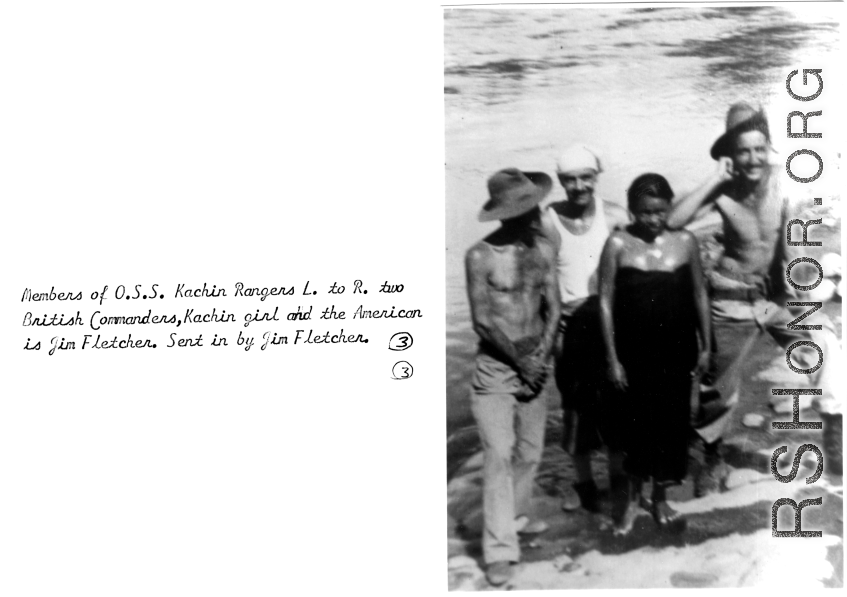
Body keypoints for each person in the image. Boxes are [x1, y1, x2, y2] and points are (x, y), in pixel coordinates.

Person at [666, 102, 843, 495]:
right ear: (730, 154)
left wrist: (807, 306)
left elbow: (793, 251)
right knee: (719, 388)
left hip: (776, 297)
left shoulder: (785, 184)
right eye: (743, 150)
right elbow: (673, 222)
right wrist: (713, 179)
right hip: (730, 298)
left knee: (825, 343)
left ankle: (835, 440)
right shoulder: (722, 192)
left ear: (770, 148)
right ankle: (712, 458)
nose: (753, 159)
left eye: (759, 149)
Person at [599, 173, 711, 534]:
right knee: (634, 429)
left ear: (669, 207)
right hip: (634, 355)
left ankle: (661, 498)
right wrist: (612, 358)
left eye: (660, 211)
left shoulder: (686, 241)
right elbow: (604, 303)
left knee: (672, 427)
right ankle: (633, 500)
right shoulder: (617, 243)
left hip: (677, 351)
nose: (653, 219)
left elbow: (699, 295)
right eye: (645, 212)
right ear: (632, 209)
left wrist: (707, 345)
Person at [466, 168, 562, 586]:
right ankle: (499, 550)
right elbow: (483, 322)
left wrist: (541, 354)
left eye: (533, 205)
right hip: (496, 367)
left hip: (537, 359)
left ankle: (516, 516)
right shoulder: (480, 256)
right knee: (499, 452)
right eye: (525, 209)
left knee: (530, 450)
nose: (535, 213)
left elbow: (554, 307)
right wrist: (521, 362)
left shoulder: (542, 248)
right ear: (507, 214)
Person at [540, 144, 630, 512]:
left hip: (609, 323)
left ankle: (619, 482)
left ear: (597, 177)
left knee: (617, 408)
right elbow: (543, 284)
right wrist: (553, 340)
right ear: (561, 182)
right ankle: (584, 485)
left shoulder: (614, 216)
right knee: (575, 412)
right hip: (569, 326)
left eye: (586, 178)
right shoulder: (548, 220)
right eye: (570, 179)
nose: (578, 186)